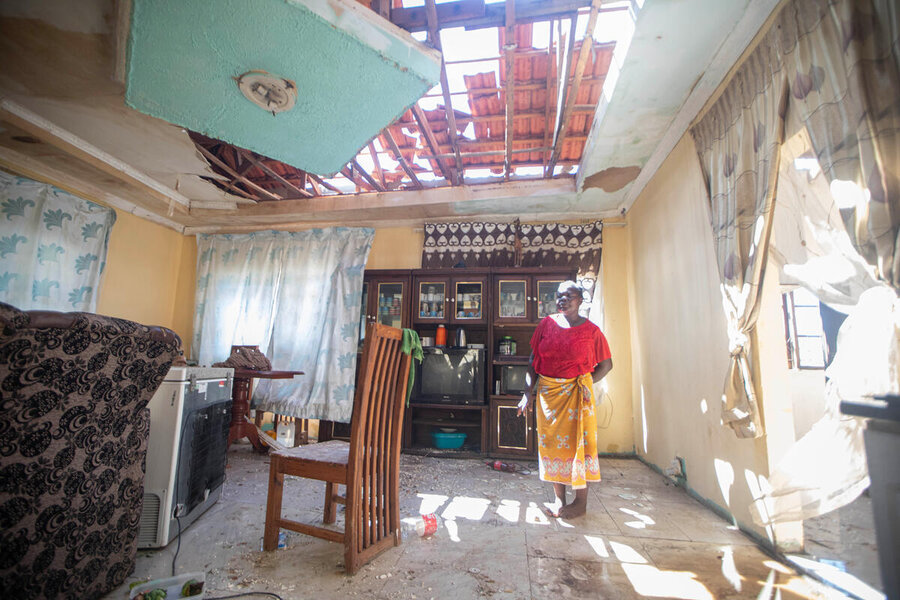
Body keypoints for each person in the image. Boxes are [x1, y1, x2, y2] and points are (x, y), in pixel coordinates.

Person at [517, 280, 612, 518]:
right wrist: (527, 393)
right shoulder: (546, 325)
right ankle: (559, 499)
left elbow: (606, 364)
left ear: (580, 300)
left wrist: (584, 384)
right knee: (551, 446)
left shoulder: (592, 331)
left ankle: (580, 502)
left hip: (578, 397)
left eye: (569, 296)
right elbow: (533, 361)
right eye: (559, 296)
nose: (563, 300)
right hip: (549, 397)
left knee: (580, 444)